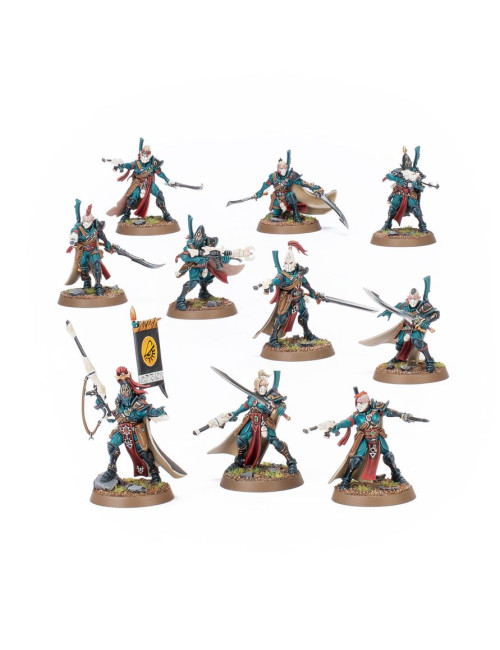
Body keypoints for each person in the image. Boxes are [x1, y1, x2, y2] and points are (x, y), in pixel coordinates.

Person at [210, 370, 298, 474]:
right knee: (241, 440)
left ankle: (291, 462)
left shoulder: (271, 396)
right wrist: (234, 413)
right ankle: (238, 461)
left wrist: (282, 408)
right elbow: (245, 406)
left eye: (265, 385)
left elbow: (281, 403)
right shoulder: (253, 397)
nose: (263, 388)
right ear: (256, 386)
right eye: (261, 385)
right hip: (252, 420)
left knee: (275, 442)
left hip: (265, 422)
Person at [328, 389, 412, 490]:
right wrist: (338, 426)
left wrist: (401, 415)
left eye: (362, 403)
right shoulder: (356, 416)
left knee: (389, 456)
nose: (359, 406)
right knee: (356, 460)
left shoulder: (376, 410)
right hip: (364, 438)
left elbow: (388, 412)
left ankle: (396, 475)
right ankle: (346, 480)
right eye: (357, 403)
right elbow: (347, 422)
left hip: (378, 437)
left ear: (368, 402)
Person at [254, 241, 320, 348]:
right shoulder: (282, 276)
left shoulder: (299, 274)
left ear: (294, 264)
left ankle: (307, 334)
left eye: (290, 263)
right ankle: (273, 338)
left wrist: (313, 293)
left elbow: (306, 284)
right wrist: (269, 283)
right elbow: (275, 281)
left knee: (304, 315)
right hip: (287, 299)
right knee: (281, 318)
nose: (287, 265)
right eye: (286, 263)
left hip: (299, 298)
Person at [107, 142, 174, 222]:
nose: (144, 157)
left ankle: (166, 214)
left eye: (146, 155)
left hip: (149, 183)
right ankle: (126, 215)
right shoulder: (136, 163)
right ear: (141, 154)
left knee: (160, 195)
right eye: (143, 155)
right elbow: (129, 165)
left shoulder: (153, 164)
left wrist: (168, 180)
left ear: (149, 155)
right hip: (138, 183)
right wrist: (122, 165)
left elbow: (160, 173)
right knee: (132, 199)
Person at [255, 151, 323, 222]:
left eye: (285, 168)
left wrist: (314, 188)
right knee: (276, 215)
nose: (283, 170)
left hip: (286, 196)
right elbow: (266, 185)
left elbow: (302, 183)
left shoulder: (291, 175)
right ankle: (280, 215)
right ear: (278, 169)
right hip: (277, 197)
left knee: (291, 195)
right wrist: (259, 192)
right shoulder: (273, 176)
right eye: (281, 168)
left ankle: (296, 214)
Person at [66, 202, 113, 296]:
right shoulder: (79, 228)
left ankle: (98, 285)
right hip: (83, 251)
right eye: (85, 221)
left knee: (97, 265)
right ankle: (87, 280)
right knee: (83, 267)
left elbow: (103, 238)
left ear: (92, 221)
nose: (86, 223)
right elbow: (74, 234)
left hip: (93, 250)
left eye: (88, 222)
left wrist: (107, 244)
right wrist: (72, 241)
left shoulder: (96, 229)